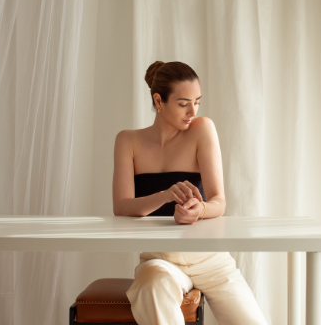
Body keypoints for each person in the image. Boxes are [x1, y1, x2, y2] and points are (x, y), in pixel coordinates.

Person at [112, 61, 268, 325]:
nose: (192, 111)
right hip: (160, 260)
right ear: (158, 100)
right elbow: (122, 206)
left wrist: (201, 209)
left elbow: (219, 201)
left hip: (210, 259)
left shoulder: (201, 129)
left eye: (197, 101)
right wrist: (165, 195)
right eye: (183, 103)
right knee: (151, 286)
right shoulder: (128, 141)